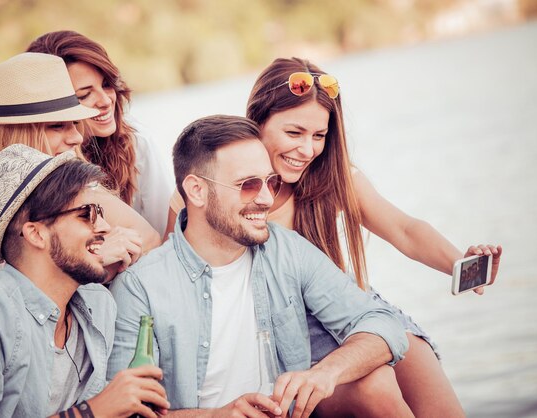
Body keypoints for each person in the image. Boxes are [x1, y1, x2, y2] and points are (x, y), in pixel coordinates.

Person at [165, 58, 503, 416]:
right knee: (378, 392)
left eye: (319, 136)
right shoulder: (211, 187)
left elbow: (404, 229)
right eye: (294, 133)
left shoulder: (336, 179)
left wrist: (459, 262)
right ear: (257, 121)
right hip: (289, 331)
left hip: (356, 312)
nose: (307, 150)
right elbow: (177, 272)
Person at [108, 115, 413, 418]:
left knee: (377, 379)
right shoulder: (140, 287)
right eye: (249, 185)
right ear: (197, 190)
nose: (267, 198)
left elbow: (383, 324)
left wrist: (325, 372)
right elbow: (125, 412)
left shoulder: (285, 249)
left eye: (271, 181)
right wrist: (218, 416)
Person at [0, 52, 158, 349]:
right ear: (14, 132)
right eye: (58, 126)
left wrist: (97, 263)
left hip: (29, 353)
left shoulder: (56, 174)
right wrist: (91, 258)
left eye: (74, 124)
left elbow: (147, 239)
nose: (76, 139)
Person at [0, 144, 170, 417]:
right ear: (36, 234)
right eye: (86, 214)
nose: (104, 227)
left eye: (101, 213)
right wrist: (92, 412)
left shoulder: (99, 306)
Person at [27, 30, 174, 237]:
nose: (105, 101)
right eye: (84, 95)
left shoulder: (136, 142)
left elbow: (166, 233)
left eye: (106, 85)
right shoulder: (34, 165)